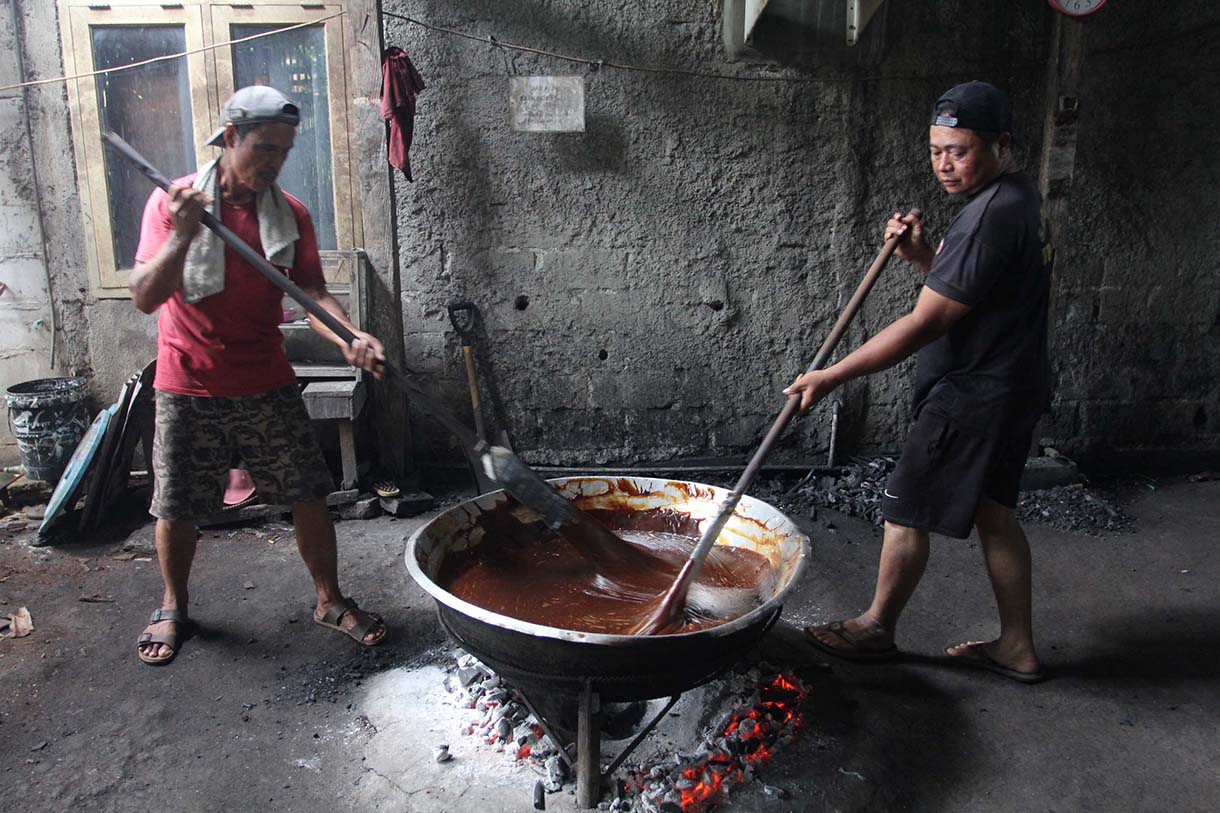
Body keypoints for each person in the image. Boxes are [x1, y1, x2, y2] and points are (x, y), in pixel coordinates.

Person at [785, 81, 1053, 683]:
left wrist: (831, 375)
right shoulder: (1017, 197)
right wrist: (927, 256)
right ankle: (1017, 646)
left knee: (906, 508)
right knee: (996, 516)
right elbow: (975, 293)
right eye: (935, 150)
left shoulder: (987, 216)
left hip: (972, 393)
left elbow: (925, 322)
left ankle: (876, 628)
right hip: (1013, 385)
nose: (944, 164)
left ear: (1001, 143)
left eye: (958, 150)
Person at [129, 86, 388, 665]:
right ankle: (173, 606)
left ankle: (328, 599)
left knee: (308, 493)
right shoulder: (173, 203)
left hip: (265, 378)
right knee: (175, 504)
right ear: (228, 139)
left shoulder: (288, 213)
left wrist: (351, 336)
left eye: (284, 151)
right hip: (186, 380)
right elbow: (146, 296)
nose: (274, 162)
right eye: (264, 148)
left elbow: (313, 292)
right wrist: (182, 233)